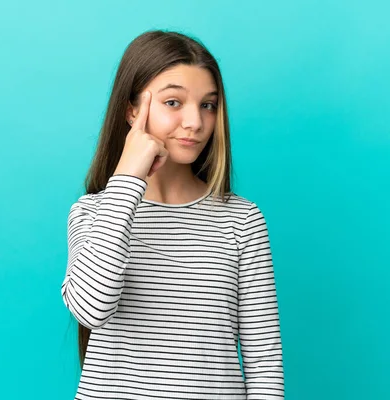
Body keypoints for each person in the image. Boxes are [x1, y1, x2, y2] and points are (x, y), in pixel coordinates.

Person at [61, 29, 284, 399]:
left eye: (208, 105)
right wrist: (129, 176)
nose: (195, 122)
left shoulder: (242, 220)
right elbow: (91, 308)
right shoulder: (94, 212)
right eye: (173, 102)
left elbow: (264, 364)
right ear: (132, 110)